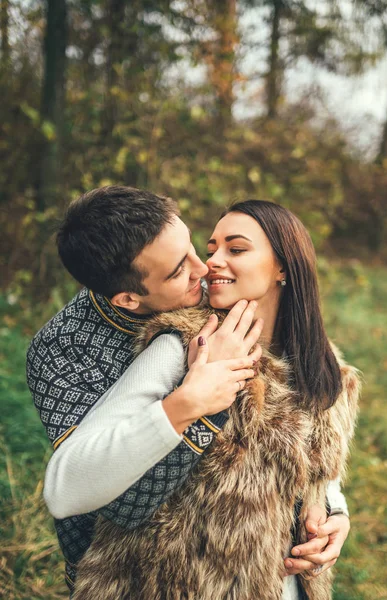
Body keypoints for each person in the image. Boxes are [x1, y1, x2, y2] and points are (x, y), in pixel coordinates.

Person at [40, 195, 358, 599]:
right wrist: (192, 399)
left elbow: (315, 462)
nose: (208, 265)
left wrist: (334, 515)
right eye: (213, 249)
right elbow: (69, 488)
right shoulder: (185, 345)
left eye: (235, 249)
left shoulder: (327, 367)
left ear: (283, 265)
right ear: (128, 297)